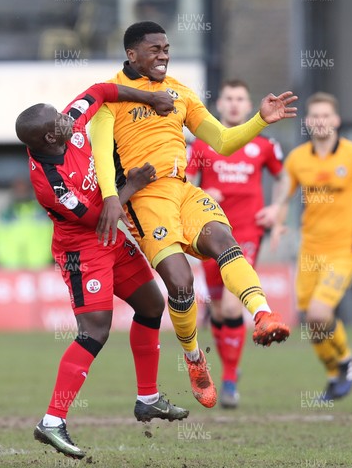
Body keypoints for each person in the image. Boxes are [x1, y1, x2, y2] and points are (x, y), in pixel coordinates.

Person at [89, 21, 297, 409]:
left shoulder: (181, 93)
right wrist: (110, 197)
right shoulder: (111, 96)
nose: (163, 55)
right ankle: (194, 358)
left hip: (182, 189)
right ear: (132, 54)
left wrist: (259, 120)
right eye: (154, 49)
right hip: (145, 199)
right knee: (181, 283)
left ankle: (263, 315)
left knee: (224, 241)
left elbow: (220, 139)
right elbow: (101, 153)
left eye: (167, 48)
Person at [15, 82, 188, 460]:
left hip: (111, 240)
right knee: (95, 331)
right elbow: (97, 219)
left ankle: (148, 398)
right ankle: (52, 421)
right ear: (49, 136)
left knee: (151, 305)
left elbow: (100, 90)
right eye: (60, 119)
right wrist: (133, 185)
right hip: (83, 249)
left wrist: (150, 97)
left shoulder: (68, 124)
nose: (68, 117)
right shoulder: (50, 183)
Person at [271, 92, 352, 400]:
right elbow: (283, 194)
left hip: (343, 251)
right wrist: (278, 219)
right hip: (310, 251)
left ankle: (346, 359)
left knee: (320, 312)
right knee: (311, 321)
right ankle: (333, 373)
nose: (321, 121)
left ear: (336, 120)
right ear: (308, 121)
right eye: (315, 116)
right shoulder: (299, 158)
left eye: (326, 115)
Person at [185, 79, 289, 408]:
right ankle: (230, 365)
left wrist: (276, 209)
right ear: (219, 105)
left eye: (239, 98)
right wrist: (202, 194)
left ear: (248, 105)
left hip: (246, 232)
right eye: (228, 97)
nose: (233, 103)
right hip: (209, 231)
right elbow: (184, 182)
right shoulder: (203, 144)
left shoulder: (264, 144)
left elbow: (285, 176)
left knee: (232, 306)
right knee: (217, 309)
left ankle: (229, 380)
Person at [0, 178, 53, 270]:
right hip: (10, 268)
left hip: (39, 266)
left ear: (29, 190)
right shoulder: (6, 214)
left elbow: (51, 236)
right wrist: (2, 259)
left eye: (23, 189)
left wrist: (48, 257)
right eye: (18, 189)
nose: (21, 192)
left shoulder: (40, 212)